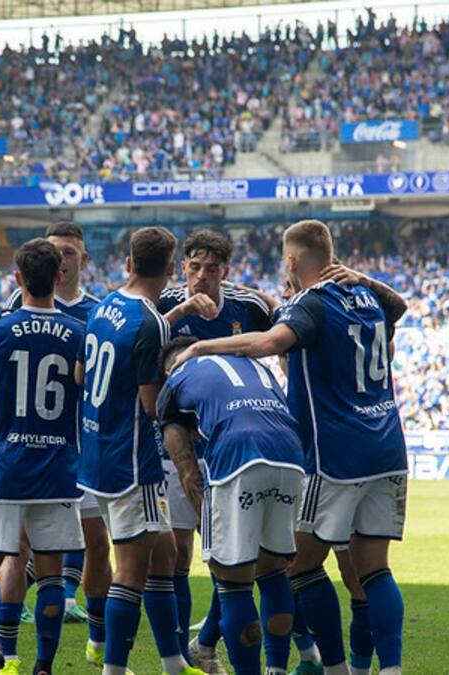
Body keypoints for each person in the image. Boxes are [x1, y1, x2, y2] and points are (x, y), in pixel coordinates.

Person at [171, 220, 410, 675]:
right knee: (374, 571)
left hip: (333, 454)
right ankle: (387, 669)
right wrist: (365, 278)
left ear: (292, 262)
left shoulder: (309, 303)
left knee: (294, 566)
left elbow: (269, 342)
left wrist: (202, 347)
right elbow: (399, 307)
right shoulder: (370, 298)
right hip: (388, 449)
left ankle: (333, 667)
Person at [76, 227, 204, 675]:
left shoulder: (105, 305)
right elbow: (153, 405)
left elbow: (79, 375)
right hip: (130, 461)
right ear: (172, 270)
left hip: (95, 451)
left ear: (129, 263)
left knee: (165, 552)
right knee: (131, 569)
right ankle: (113, 669)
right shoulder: (149, 324)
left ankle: (173, 663)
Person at [0, 239, 87, 675]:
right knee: (50, 571)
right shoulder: (77, 334)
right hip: (58, 468)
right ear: (59, 277)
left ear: (18, 279)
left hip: (7, 467)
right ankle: (44, 666)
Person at [156, 229, 275, 673]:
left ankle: (204, 642)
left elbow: (289, 335)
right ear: (184, 266)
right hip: (176, 444)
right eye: (194, 266)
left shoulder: (251, 306)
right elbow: (140, 346)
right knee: (182, 552)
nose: (201, 276)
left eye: (212, 269)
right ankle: (185, 655)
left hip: (234, 444)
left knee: (238, 554)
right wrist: (182, 309)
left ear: (226, 271)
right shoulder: (166, 303)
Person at [158, 337, 304, 675]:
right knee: (272, 571)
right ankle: (278, 669)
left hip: (239, 458)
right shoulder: (252, 364)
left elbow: (187, 468)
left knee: (232, 583)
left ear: (169, 368)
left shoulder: (176, 378)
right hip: (292, 456)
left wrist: (203, 513)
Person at [1, 222, 108, 642]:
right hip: (35, 445)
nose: (61, 258)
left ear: (83, 259)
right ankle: (15, 618)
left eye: (69, 252)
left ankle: (92, 631)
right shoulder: (19, 303)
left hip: (84, 445)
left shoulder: (99, 311)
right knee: (25, 541)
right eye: (55, 251)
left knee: (97, 542)